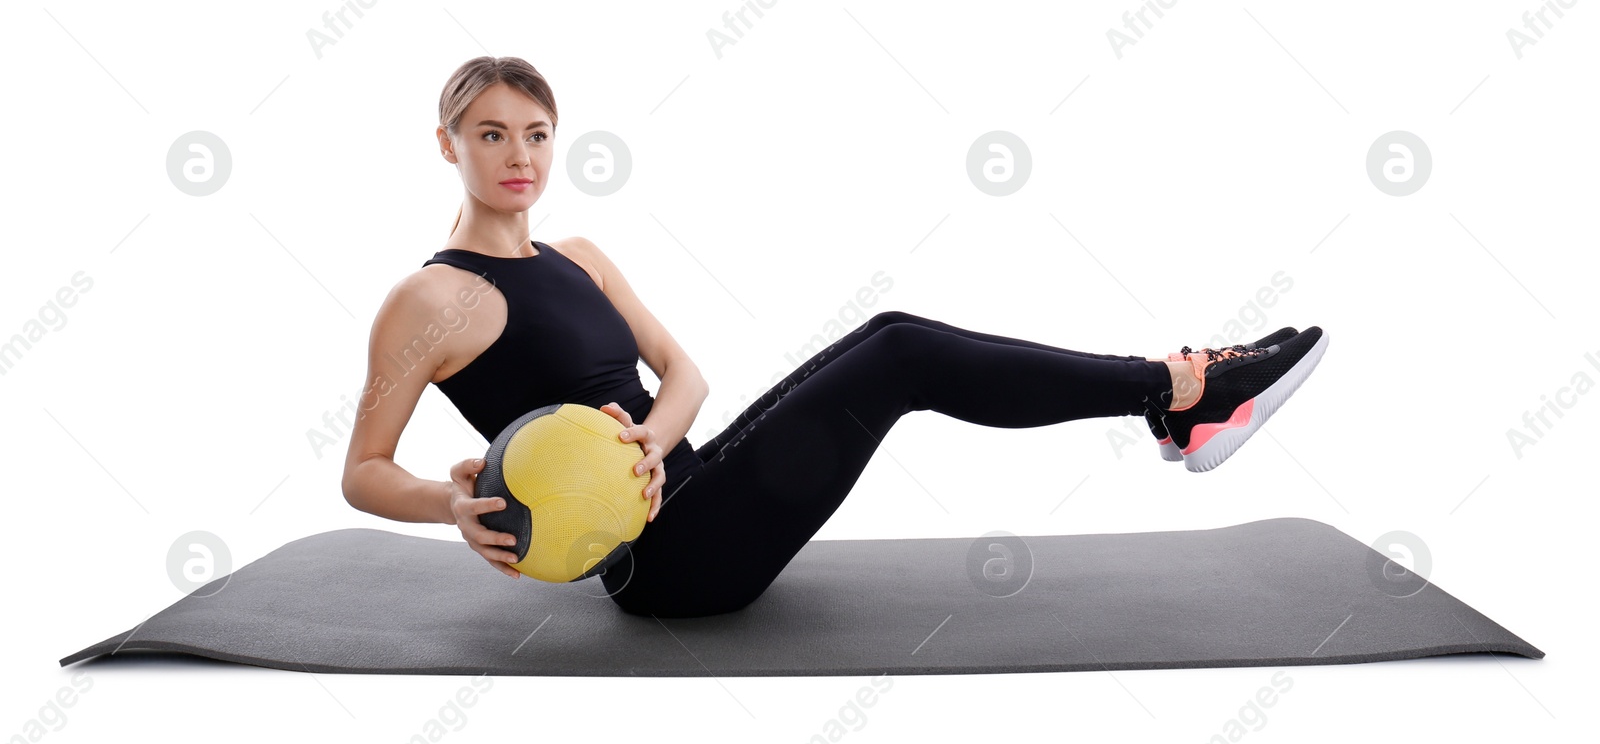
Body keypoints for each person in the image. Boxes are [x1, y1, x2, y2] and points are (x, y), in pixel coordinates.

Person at [340, 56, 1329, 619]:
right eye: (492, 134)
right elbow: (364, 470)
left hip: (691, 487)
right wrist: (449, 504)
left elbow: (682, 372)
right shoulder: (428, 301)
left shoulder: (583, 255)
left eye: (537, 134)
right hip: (666, 564)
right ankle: (1179, 389)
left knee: (890, 331)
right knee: (900, 358)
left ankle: (1174, 404)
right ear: (448, 145)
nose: (519, 156)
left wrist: (648, 439)